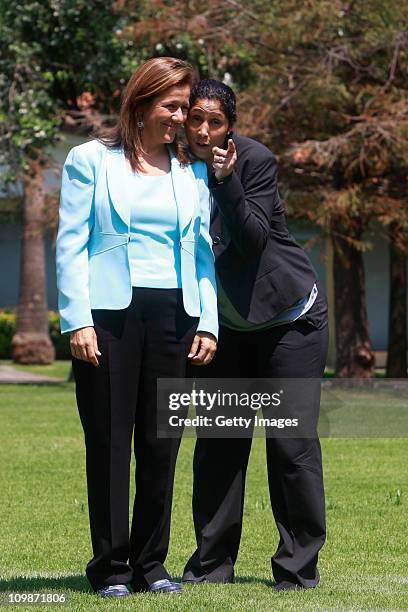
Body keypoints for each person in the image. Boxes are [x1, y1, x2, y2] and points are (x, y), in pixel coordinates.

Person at [56, 58, 218, 598]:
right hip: (109, 317)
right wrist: (77, 319)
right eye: (172, 107)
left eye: (185, 108)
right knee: (108, 442)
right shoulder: (91, 160)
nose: (181, 118)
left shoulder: (190, 172)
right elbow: (71, 244)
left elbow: (202, 256)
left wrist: (208, 323)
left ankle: (152, 565)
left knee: (161, 442)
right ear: (142, 104)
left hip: (176, 317)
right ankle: (110, 568)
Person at [182, 79, 328, 591]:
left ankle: (296, 568)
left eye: (214, 121)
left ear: (231, 126)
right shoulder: (169, 167)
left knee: (290, 445)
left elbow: (251, 239)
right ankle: (211, 565)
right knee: (220, 444)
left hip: (288, 320)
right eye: (195, 118)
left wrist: (225, 181)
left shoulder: (254, 160)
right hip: (224, 331)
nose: (203, 130)